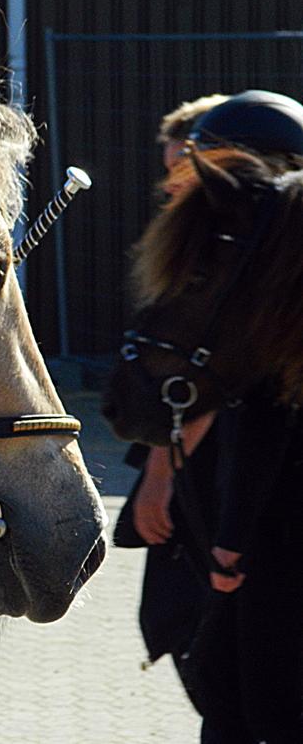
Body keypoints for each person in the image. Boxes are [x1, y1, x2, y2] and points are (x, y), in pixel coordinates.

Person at [120, 89, 303, 743]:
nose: (185, 189)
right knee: (227, 686)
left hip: (258, 526)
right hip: (239, 521)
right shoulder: (236, 269)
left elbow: (256, 413)